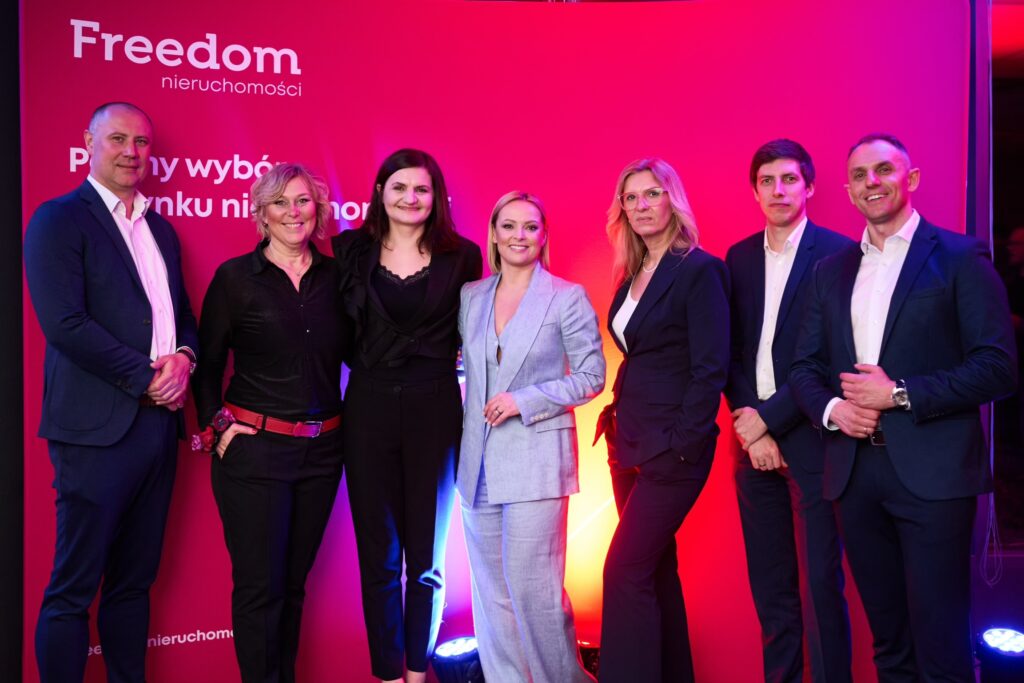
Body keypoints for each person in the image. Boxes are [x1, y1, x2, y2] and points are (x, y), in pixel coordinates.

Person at [790, 133, 1017, 681]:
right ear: (848, 191)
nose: (872, 182)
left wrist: (898, 393)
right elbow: (804, 368)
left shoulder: (960, 257)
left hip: (935, 477)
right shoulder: (830, 272)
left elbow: (998, 366)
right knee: (890, 646)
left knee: (941, 646)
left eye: (884, 170)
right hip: (854, 477)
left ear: (910, 179)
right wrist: (834, 410)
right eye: (860, 175)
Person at [23, 102, 198, 683]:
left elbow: (182, 317)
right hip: (96, 432)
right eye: (118, 138)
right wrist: (149, 377)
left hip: (158, 429)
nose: (131, 152)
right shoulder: (58, 220)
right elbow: (65, 324)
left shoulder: (160, 229)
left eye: (141, 142)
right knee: (73, 590)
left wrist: (184, 358)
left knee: (133, 584)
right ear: (89, 142)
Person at [192, 163, 348, 683]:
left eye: (303, 201)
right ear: (262, 213)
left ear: (317, 210)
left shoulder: (337, 278)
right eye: (280, 202)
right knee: (260, 590)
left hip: (323, 453)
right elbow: (208, 364)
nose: (293, 212)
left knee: (293, 587)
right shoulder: (235, 278)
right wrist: (218, 427)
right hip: (254, 451)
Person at [333, 149, 482, 683]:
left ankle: (418, 673)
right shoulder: (349, 250)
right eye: (399, 187)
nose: (410, 198)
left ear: (436, 197)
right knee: (378, 558)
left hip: (435, 407)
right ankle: (388, 676)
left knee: (427, 561)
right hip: (368, 407)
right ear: (380, 192)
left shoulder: (463, 257)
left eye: (421, 189)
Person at [457, 191, 605, 683]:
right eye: (509, 225)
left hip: (536, 459)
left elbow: (592, 376)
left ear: (543, 236)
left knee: (535, 594)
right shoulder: (472, 296)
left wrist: (526, 399)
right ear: (494, 234)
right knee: (492, 597)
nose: (519, 236)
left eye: (531, 227)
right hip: (477, 463)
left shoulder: (566, 296)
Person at [594, 158, 730, 683]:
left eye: (652, 193)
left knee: (624, 570)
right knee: (654, 571)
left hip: (671, 449)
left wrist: (683, 444)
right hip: (627, 443)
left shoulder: (698, 269)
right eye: (631, 197)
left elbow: (711, 367)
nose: (642, 205)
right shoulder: (633, 273)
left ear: (672, 199)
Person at [723, 139, 853, 683]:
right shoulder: (738, 258)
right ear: (754, 192)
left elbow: (832, 359)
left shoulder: (840, 254)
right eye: (767, 181)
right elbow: (728, 351)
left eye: (789, 179)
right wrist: (751, 427)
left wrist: (769, 421)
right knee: (771, 587)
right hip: (750, 441)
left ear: (810, 187)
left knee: (821, 586)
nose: (778, 190)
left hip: (813, 441)